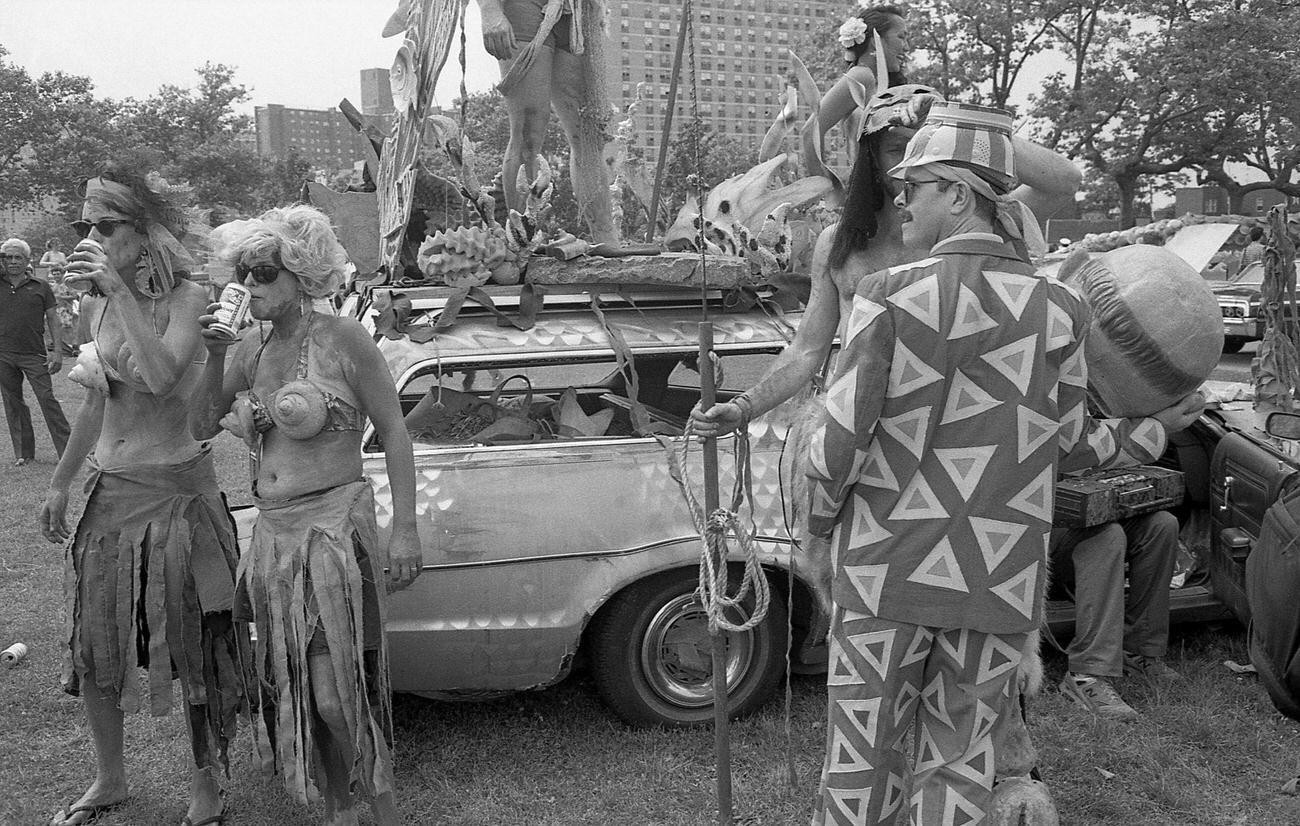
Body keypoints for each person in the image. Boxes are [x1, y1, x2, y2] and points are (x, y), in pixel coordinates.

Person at [800, 102, 1203, 825]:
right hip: (996, 581)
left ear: (959, 193)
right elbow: (1074, 446)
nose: (901, 200)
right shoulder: (1062, 310)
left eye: (914, 185)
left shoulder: (887, 298)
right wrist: (1147, 434)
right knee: (958, 770)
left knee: (863, 763)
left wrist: (818, 536)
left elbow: (834, 450)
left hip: (885, 574)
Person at [191, 205, 422, 826]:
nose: (251, 285)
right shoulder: (246, 349)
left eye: (264, 271)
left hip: (333, 533)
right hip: (273, 538)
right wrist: (214, 357)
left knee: (336, 692)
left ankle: (384, 809)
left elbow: (395, 433)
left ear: (301, 272)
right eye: (243, 273)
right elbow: (196, 426)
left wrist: (405, 529)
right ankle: (342, 808)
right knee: (296, 685)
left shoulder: (343, 339)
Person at [38, 167, 246, 826]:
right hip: (110, 494)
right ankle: (110, 779)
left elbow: (158, 379)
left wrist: (118, 295)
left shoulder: (187, 299)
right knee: (95, 644)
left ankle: (206, 784)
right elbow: (101, 403)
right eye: (86, 227)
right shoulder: (94, 304)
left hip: (178, 496)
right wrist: (61, 481)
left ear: (145, 231)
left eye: (106, 226)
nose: (92, 237)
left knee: (193, 647)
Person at [476, 0, 617, 243]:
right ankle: (522, 241)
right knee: (528, 131)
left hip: (577, 12)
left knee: (588, 134)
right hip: (524, 7)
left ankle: (605, 239)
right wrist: (489, 9)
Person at [1052, 510, 1182, 719]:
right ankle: (1086, 674)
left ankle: (1137, 650)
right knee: (1107, 534)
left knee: (1162, 524)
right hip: (1046, 537)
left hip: (1096, 517)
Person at [810, 4, 909, 179]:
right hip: (866, 192)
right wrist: (824, 192)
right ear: (875, 41)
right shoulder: (861, 75)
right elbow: (810, 132)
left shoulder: (875, 81)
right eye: (901, 37)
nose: (907, 47)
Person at [1, 237, 69, 466]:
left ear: (27, 260)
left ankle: (68, 452)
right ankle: (24, 454)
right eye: (7, 257)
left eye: (17, 257)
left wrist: (57, 352)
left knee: (47, 399)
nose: (12, 262)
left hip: (34, 354)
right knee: (13, 402)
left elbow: (53, 319)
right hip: (4, 353)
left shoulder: (42, 287)